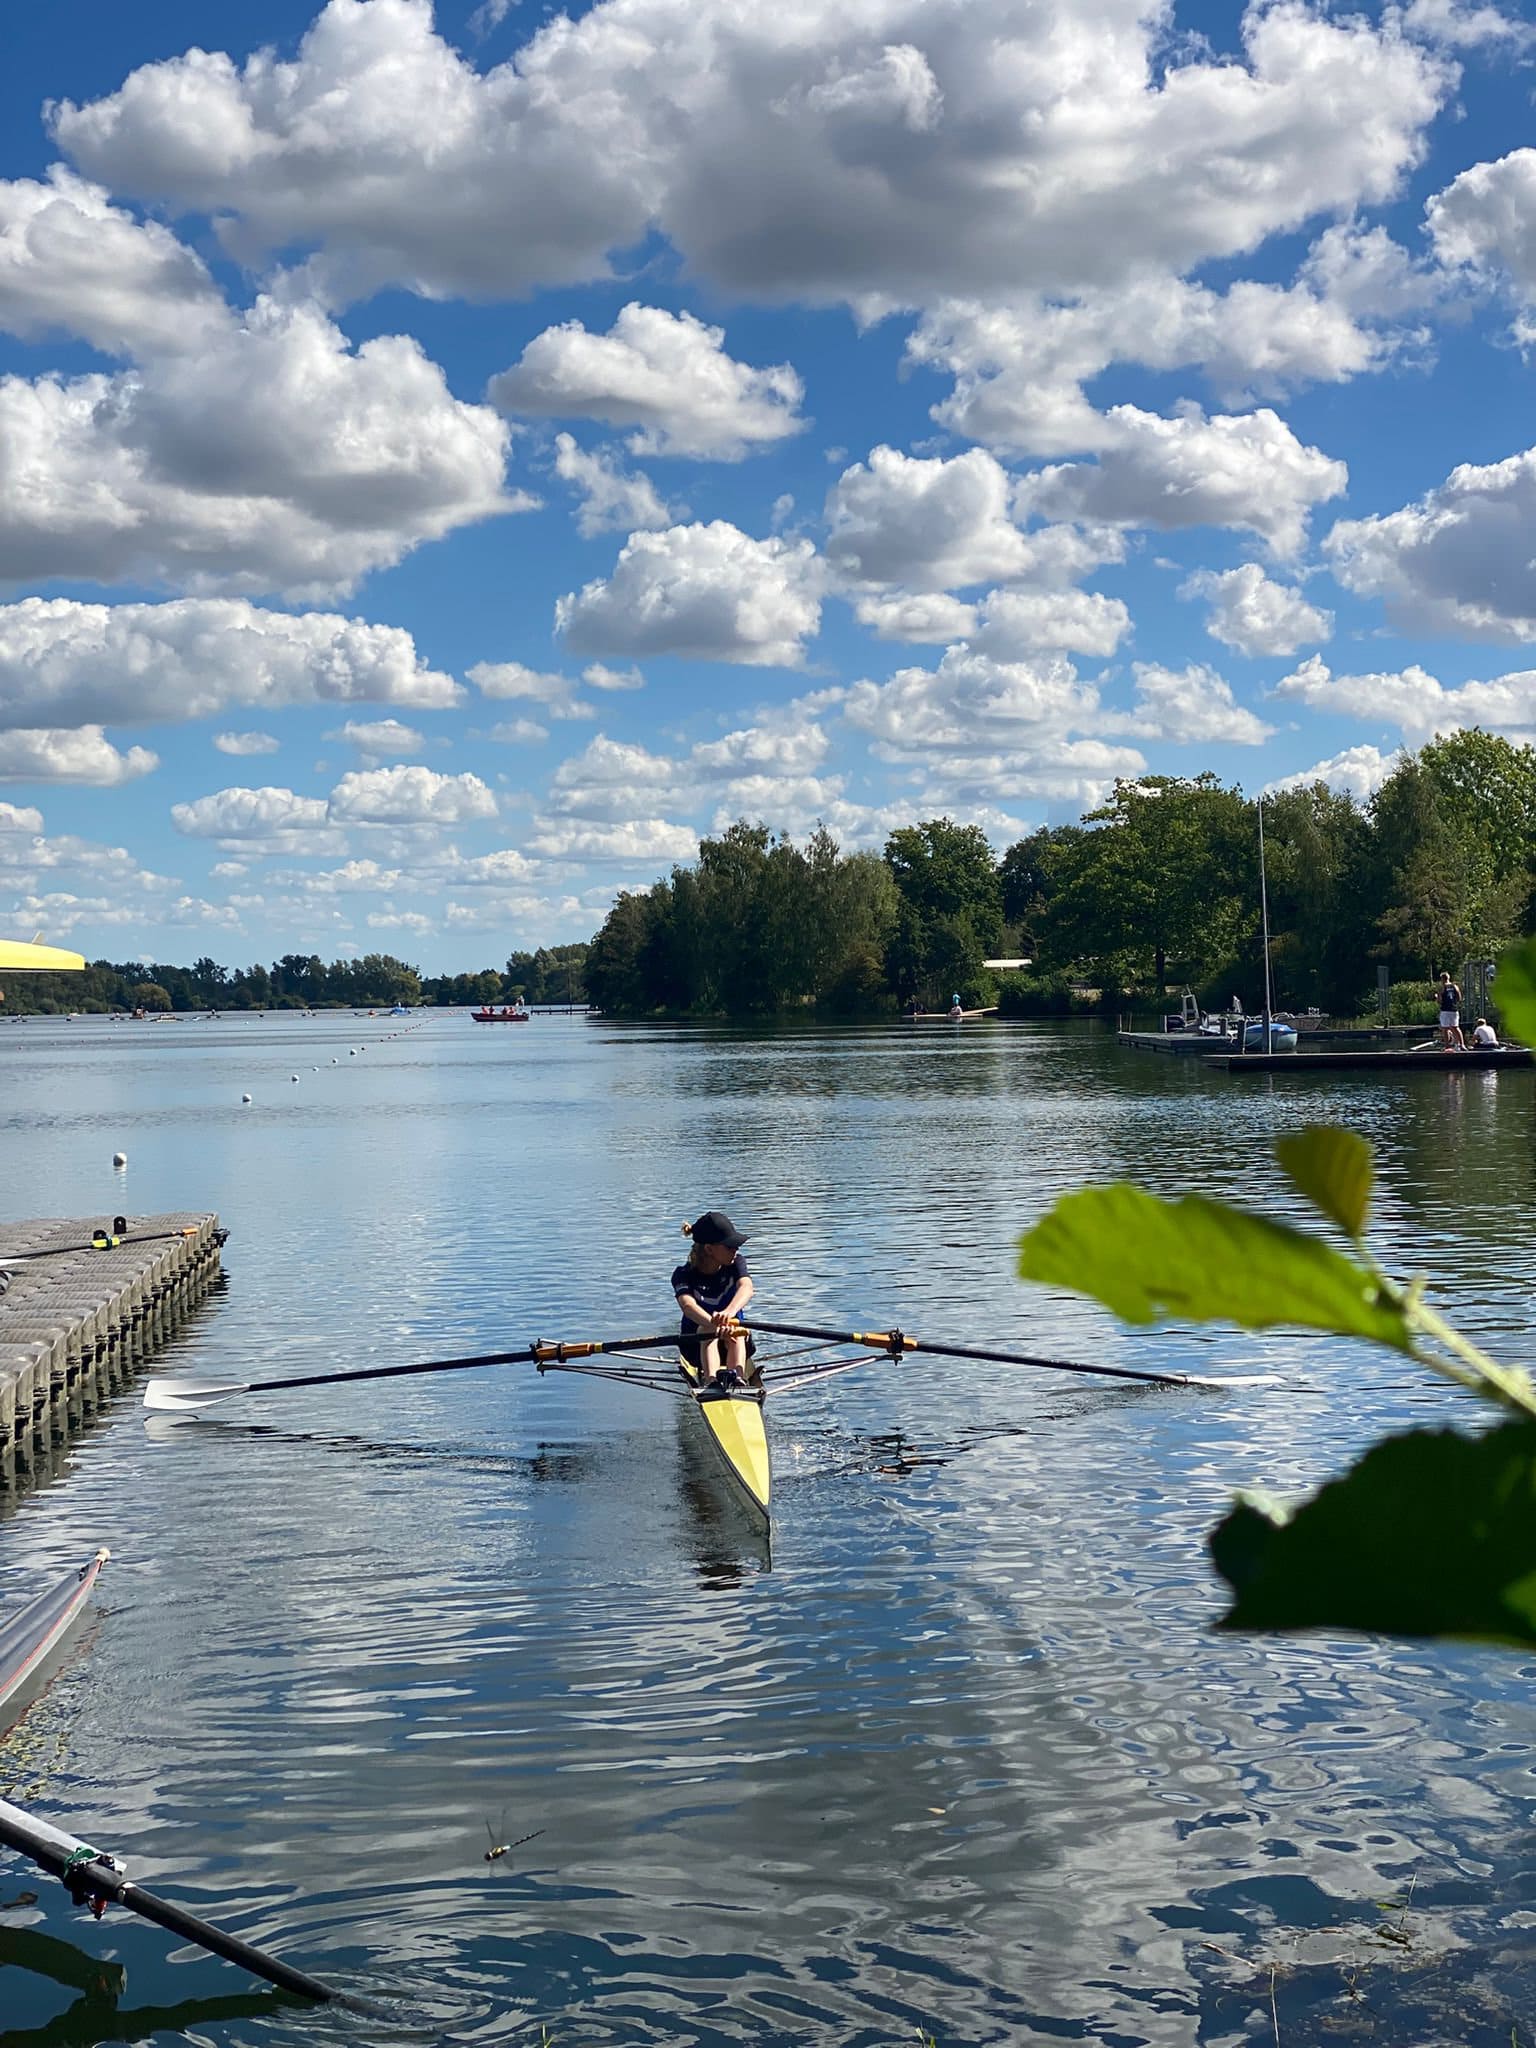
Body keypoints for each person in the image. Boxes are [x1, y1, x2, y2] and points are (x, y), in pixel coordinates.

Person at [673, 1211, 756, 1392]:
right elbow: (688, 1306)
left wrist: (728, 1314)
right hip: (695, 1345)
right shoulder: (683, 1274)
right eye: (729, 1246)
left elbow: (747, 1288)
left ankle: (738, 1380)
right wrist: (714, 1323)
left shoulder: (737, 1264)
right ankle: (711, 1383)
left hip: (735, 1335)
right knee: (708, 1329)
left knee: (735, 1330)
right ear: (709, 1249)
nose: (735, 1250)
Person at [1437, 971, 1466, 1049]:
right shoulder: (1455, 986)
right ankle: (1462, 1044)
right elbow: (1459, 998)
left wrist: (1437, 997)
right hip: (1454, 1010)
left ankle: (1447, 1046)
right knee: (1456, 1027)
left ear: (1442, 979)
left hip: (1445, 1010)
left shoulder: (1442, 987)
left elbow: (1439, 1001)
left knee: (1445, 1028)